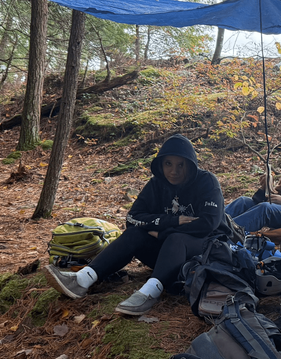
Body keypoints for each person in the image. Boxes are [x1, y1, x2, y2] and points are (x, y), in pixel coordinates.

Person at [44, 134, 224, 316]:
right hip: (167, 257)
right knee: (134, 234)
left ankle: (149, 293)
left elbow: (208, 224)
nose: (174, 171)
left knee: (176, 239)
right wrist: (172, 221)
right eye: (168, 164)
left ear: (190, 165)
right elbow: (132, 219)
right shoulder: (156, 184)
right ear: (161, 165)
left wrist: (161, 234)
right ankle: (83, 279)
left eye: (180, 165)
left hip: (201, 254)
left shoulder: (207, 182)